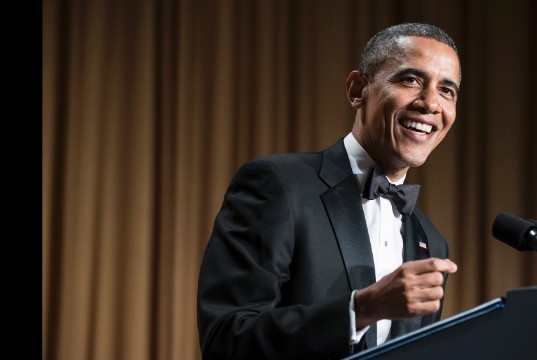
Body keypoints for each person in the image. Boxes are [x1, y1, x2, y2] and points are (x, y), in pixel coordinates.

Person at [197, 22, 461, 359]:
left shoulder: (431, 240)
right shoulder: (278, 184)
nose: (430, 103)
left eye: (446, 90)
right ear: (357, 90)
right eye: (411, 80)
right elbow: (227, 342)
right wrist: (361, 309)